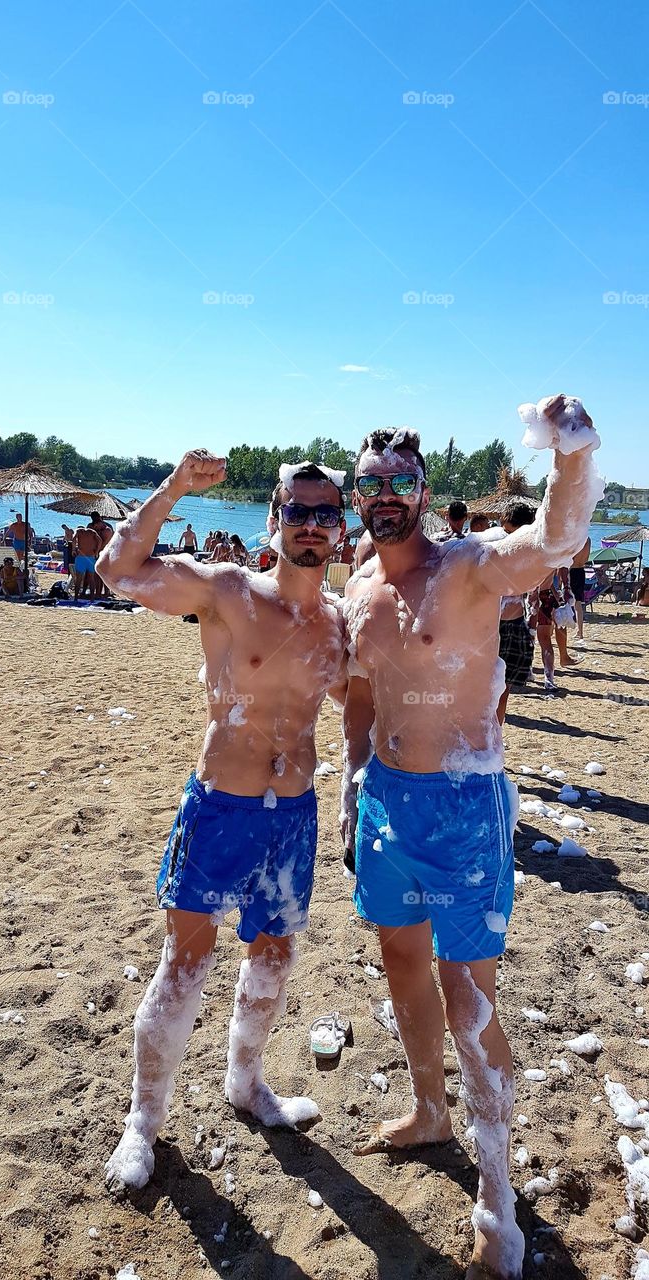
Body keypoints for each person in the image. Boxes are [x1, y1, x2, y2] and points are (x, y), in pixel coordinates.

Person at [341, 397, 601, 1280]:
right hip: (387, 805)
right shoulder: (358, 586)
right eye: (370, 484)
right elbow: (363, 698)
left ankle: (499, 1204)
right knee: (402, 968)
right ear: (356, 496)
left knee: (469, 996)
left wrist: (571, 452)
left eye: (400, 483)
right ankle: (428, 1110)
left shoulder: (471, 568)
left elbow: (556, 541)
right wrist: (349, 787)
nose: (385, 496)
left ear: (423, 491)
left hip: (464, 806)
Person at [97, 450, 347, 1194]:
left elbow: (368, 705)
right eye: (296, 511)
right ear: (274, 521)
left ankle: (247, 1084)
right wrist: (174, 487)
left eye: (324, 513)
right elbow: (118, 568)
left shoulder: (338, 621)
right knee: (184, 964)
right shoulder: (229, 590)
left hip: (293, 816)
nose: (309, 524)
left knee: (273, 957)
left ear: (340, 528)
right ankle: (142, 1123)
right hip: (221, 807)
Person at [496, 503, 536, 723]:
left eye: (511, 532)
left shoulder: (530, 553)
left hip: (512, 623)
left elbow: (535, 592)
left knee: (503, 689)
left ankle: (495, 736)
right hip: (489, 626)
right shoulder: (495, 546)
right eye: (505, 531)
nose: (507, 537)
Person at [527, 567, 578, 692]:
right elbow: (562, 568)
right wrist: (564, 589)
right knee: (544, 640)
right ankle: (548, 679)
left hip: (531, 595)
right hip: (544, 595)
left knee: (531, 635)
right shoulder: (555, 551)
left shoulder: (533, 551)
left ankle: (528, 670)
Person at [569, 536, 591, 642]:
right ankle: (580, 632)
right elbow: (586, 558)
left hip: (572, 570)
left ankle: (557, 629)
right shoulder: (588, 539)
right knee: (578, 604)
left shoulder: (575, 538)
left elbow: (570, 557)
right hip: (581, 570)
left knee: (565, 601)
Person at [73, 525, 102, 601]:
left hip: (81, 557)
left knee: (78, 578)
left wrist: (73, 549)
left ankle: (76, 598)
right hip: (91, 557)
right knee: (91, 578)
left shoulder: (79, 531)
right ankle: (92, 598)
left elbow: (73, 538)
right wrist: (96, 552)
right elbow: (100, 541)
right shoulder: (92, 532)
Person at [89, 512, 114, 598]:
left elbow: (104, 544)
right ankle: (98, 592)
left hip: (105, 553)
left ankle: (106, 592)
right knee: (97, 573)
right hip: (97, 553)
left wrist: (96, 552)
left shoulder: (107, 530)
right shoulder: (92, 526)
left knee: (104, 574)